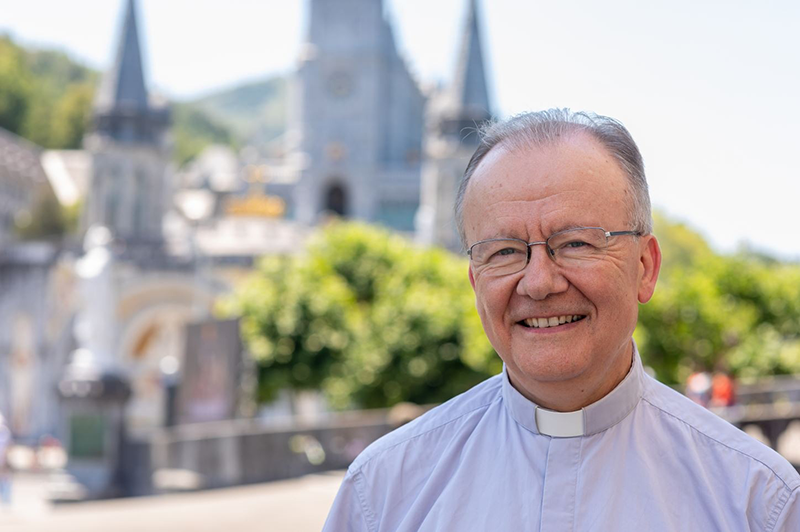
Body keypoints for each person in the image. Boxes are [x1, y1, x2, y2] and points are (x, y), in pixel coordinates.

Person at [322, 109, 800, 531]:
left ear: (645, 267)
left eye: (576, 243)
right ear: (475, 284)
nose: (539, 282)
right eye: (504, 251)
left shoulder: (756, 500)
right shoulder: (383, 493)